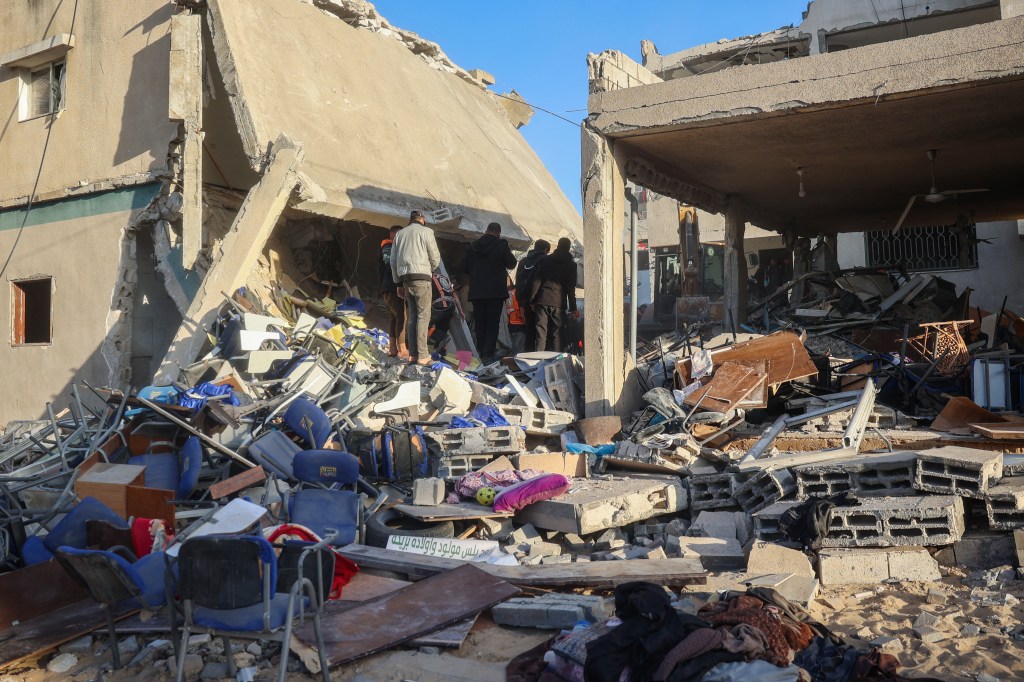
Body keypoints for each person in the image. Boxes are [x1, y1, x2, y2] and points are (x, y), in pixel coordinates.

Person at [391, 210, 441, 365]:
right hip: (422, 278)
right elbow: (434, 257)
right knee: (423, 315)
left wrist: (398, 283)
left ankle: (413, 355)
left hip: (405, 279)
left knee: (413, 316)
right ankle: (423, 355)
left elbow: (393, 261)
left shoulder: (400, 234)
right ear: (423, 220)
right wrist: (430, 270)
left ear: (410, 219)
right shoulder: (427, 232)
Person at [460, 222, 516, 362]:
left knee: (480, 323)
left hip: (477, 292)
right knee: (492, 323)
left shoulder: (472, 246)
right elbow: (512, 263)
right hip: (495, 292)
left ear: (486, 230)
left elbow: (465, 268)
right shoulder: (501, 245)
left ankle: (479, 351)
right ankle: (488, 353)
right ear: (498, 232)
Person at [530, 237, 579, 352]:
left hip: (542, 300)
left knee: (541, 333)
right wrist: (573, 308)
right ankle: (557, 362)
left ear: (557, 246)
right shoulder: (572, 265)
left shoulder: (545, 260)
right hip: (559, 302)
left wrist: (532, 300)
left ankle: (538, 362)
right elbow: (570, 288)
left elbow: (536, 281)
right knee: (558, 335)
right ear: (568, 248)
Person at [514, 240, 550, 351]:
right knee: (542, 330)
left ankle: (528, 355)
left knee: (529, 330)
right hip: (540, 300)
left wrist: (521, 301)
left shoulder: (523, 261)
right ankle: (541, 358)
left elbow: (518, 281)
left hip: (525, 300)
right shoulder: (545, 260)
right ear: (546, 250)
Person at [378, 225, 408, 359]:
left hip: (389, 287)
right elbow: (390, 265)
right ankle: (402, 349)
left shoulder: (390, 248)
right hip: (392, 287)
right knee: (402, 316)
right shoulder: (388, 247)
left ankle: (393, 348)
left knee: (394, 317)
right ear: (393, 235)